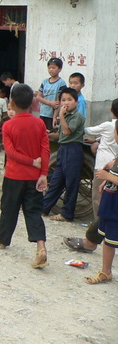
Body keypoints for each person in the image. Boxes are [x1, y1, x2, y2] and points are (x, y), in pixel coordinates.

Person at [0, 84, 50, 268]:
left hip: (14, 175)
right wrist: (43, 173)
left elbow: (10, 152)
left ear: (12, 102)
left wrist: (30, 161)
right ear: (31, 103)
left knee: (9, 208)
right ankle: (41, 248)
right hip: (34, 177)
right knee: (33, 211)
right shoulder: (39, 123)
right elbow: (45, 150)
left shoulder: (8, 125)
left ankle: (2, 240)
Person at [43, 87, 85, 221]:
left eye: (69, 100)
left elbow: (68, 132)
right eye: (63, 100)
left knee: (71, 183)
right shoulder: (66, 116)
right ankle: (43, 209)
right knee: (56, 181)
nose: (66, 103)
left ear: (76, 102)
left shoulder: (77, 116)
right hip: (63, 149)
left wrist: (60, 115)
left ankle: (67, 214)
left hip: (73, 150)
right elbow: (61, 135)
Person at [85, 121, 118, 284]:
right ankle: (106, 271)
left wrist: (108, 177)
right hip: (110, 203)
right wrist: (108, 181)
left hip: (115, 207)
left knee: (111, 239)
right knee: (108, 240)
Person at [84, 99, 118, 218]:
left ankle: (97, 225)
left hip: (103, 164)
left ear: (111, 110)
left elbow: (88, 130)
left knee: (97, 196)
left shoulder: (108, 125)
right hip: (115, 165)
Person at [36, 57, 66, 130]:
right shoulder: (45, 81)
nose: (51, 70)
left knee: (50, 134)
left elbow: (58, 102)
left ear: (59, 69)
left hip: (52, 115)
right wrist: (49, 103)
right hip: (43, 112)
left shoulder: (61, 83)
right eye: (49, 68)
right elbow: (38, 97)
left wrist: (55, 117)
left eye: (53, 68)